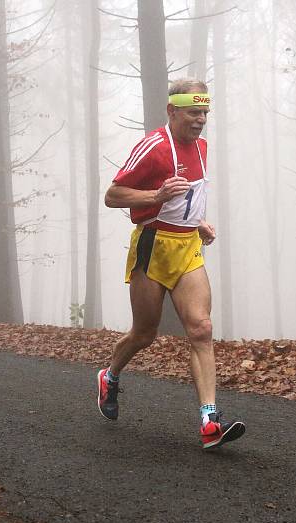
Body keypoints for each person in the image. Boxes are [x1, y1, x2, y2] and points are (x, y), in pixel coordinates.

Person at [96, 78, 245, 450]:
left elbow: (188, 196)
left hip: (188, 247)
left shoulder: (202, 147)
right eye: (194, 112)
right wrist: (155, 194)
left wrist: (198, 221)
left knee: (201, 328)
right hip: (152, 245)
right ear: (172, 110)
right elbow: (112, 196)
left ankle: (210, 421)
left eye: (205, 112)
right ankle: (110, 376)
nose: (201, 120)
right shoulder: (154, 147)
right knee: (145, 335)